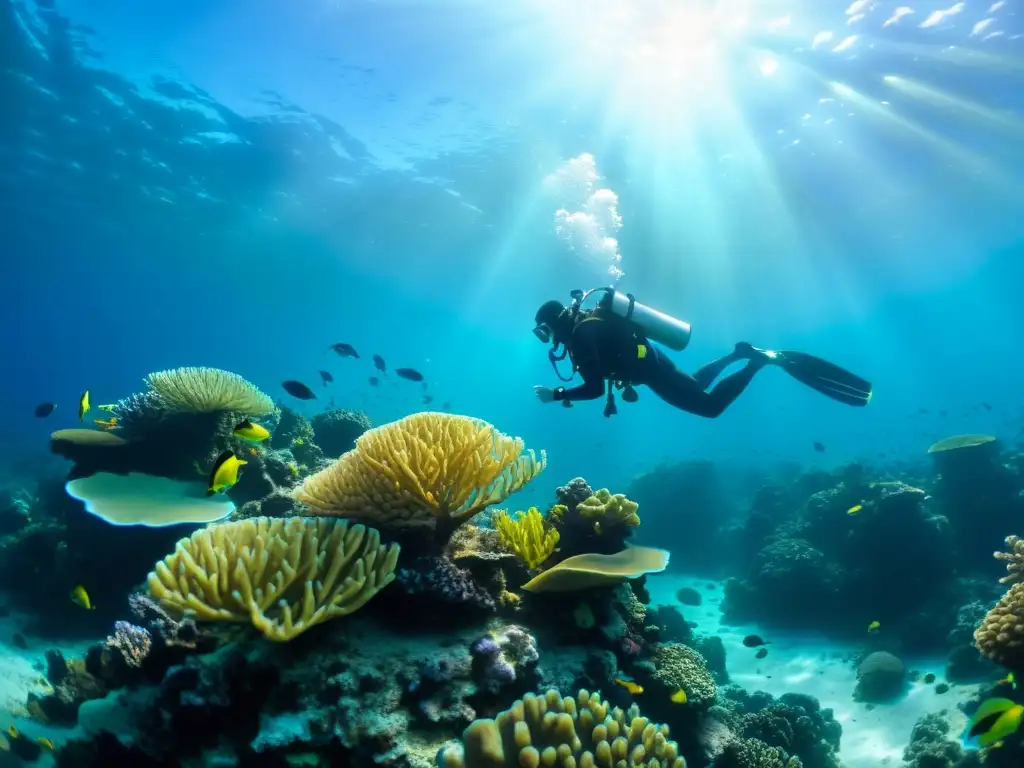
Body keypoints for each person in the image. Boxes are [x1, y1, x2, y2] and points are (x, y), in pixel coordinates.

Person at [531, 297, 872, 418]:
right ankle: (738, 355)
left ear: (553, 324)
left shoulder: (581, 334)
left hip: (650, 371)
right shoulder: (589, 322)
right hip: (651, 360)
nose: (548, 340)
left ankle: (760, 361)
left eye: (543, 332)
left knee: (709, 408)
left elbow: (591, 389)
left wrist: (557, 394)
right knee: (693, 385)